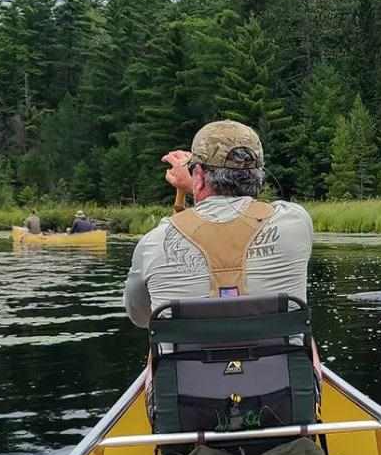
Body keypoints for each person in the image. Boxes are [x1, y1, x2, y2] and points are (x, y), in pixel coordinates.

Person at [123, 120, 313, 328]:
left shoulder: (153, 242)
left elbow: (140, 317)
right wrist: (196, 182)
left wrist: (195, 184)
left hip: (186, 361)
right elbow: (253, 211)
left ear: (200, 176)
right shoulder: (296, 221)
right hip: (281, 360)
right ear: (259, 175)